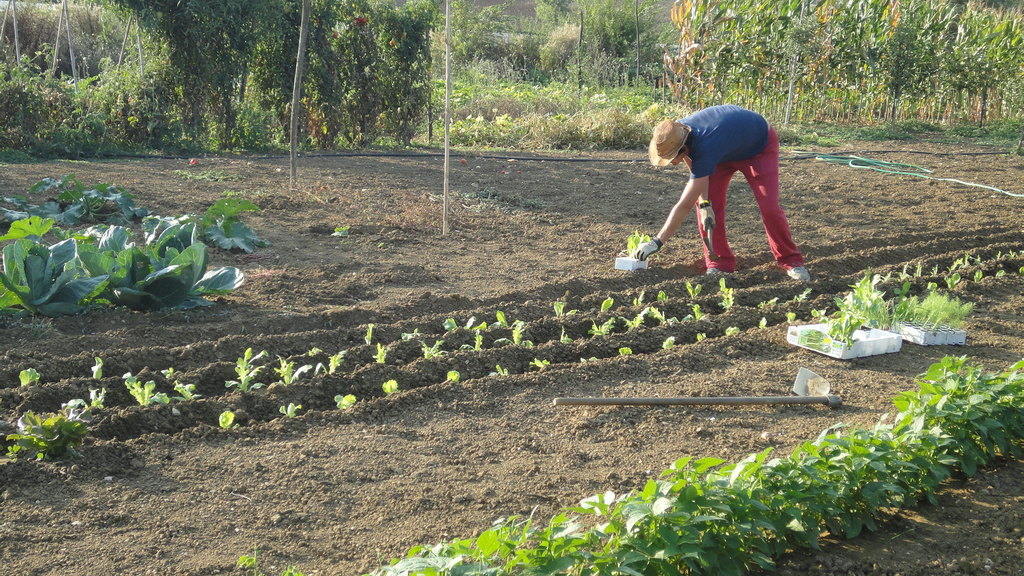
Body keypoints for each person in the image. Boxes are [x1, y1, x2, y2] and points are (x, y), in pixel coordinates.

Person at [632, 104, 810, 281]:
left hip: (758, 147)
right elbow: (695, 166)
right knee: (706, 208)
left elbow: (683, 204)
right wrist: (705, 204)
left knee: (769, 206)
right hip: (723, 149)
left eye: (671, 158)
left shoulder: (703, 143)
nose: (671, 163)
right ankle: (719, 264)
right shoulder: (676, 133)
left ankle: (792, 261)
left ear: (683, 149)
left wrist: (657, 241)